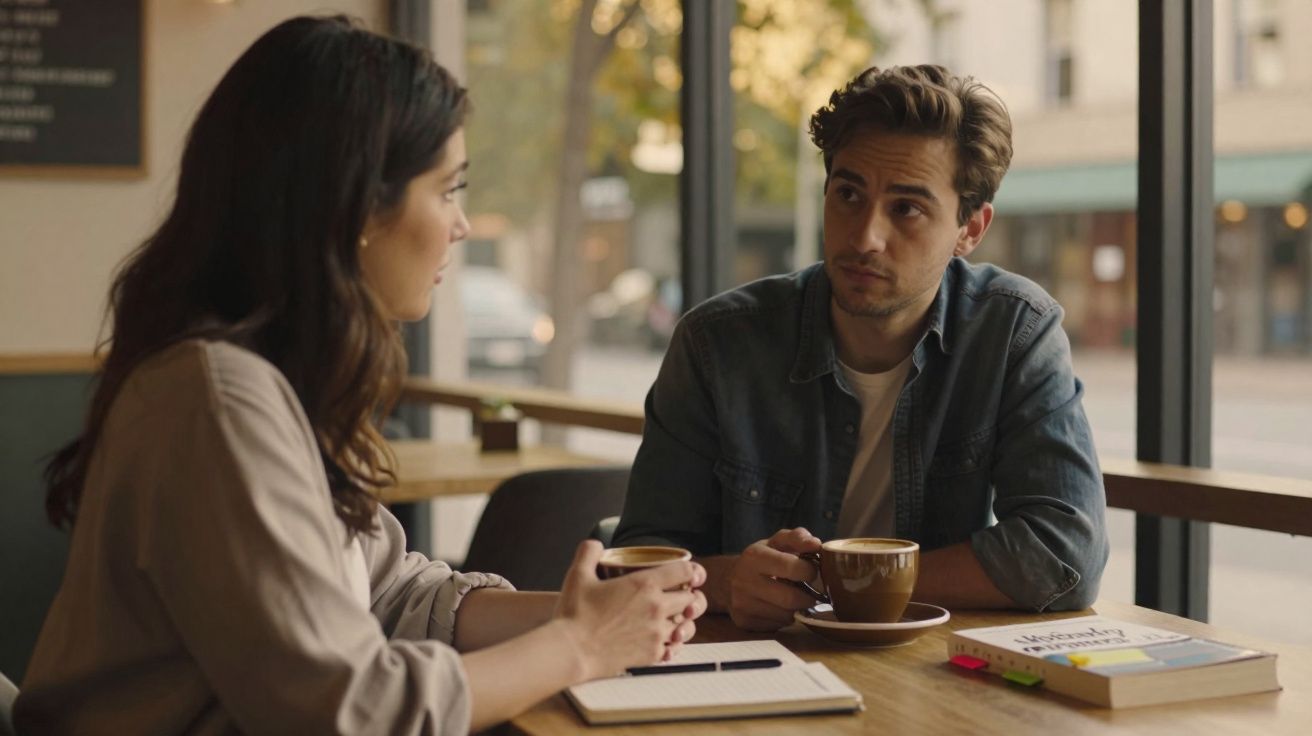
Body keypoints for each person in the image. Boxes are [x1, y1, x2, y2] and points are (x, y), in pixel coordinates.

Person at [14, 16, 705, 735]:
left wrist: (590, 615)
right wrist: (579, 645)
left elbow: (390, 591)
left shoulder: (275, 379)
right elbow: (349, 713)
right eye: (448, 190)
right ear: (358, 206)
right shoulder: (218, 401)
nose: (462, 225)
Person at [613, 64, 1107, 632]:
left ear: (970, 229)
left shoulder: (1013, 332)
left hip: (927, 670)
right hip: (763, 662)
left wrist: (839, 582)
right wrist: (727, 582)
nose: (865, 236)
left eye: (906, 208)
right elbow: (637, 562)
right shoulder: (718, 343)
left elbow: (1065, 553)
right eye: (848, 194)